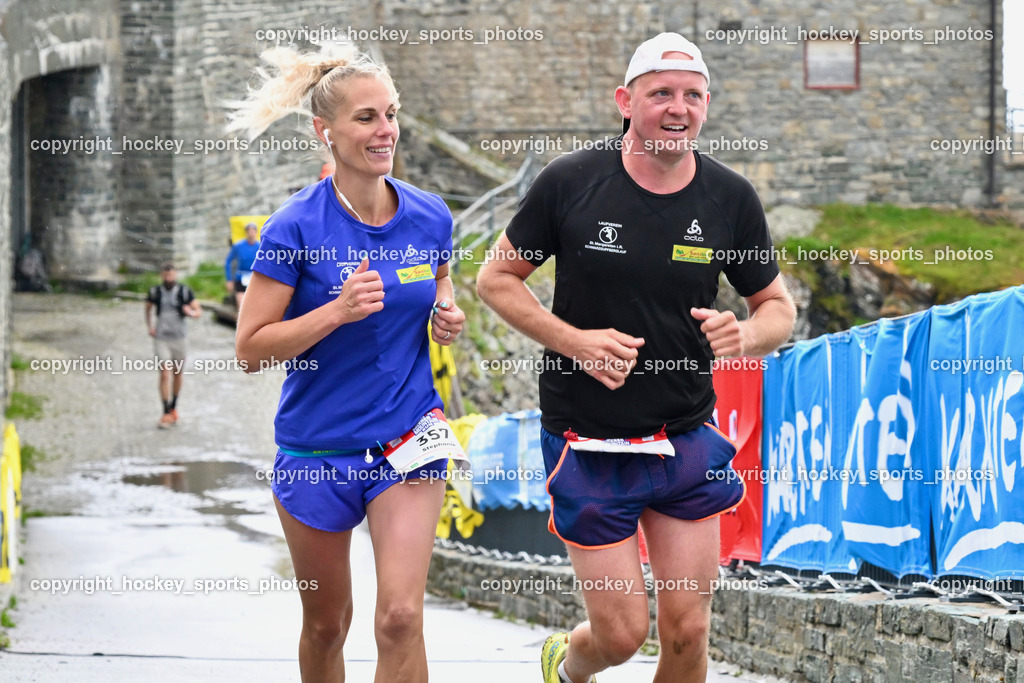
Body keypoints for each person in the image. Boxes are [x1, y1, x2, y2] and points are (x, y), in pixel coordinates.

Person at [476, 32, 796, 683]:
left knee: (688, 629)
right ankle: (569, 664)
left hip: (683, 434)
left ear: (706, 105)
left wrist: (747, 336)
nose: (677, 109)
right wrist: (576, 342)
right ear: (626, 100)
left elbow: (777, 309)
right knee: (622, 635)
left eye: (692, 96)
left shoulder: (729, 198)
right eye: (660, 94)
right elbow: (494, 280)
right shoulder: (571, 182)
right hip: (588, 437)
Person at [230, 44, 465, 683]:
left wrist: (444, 311)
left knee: (398, 618)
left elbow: (439, 278)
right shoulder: (293, 228)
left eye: (390, 114)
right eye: (365, 118)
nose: (384, 130)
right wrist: (335, 312)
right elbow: (250, 350)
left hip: (407, 438)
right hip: (316, 451)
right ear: (324, 132)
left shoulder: (430, 215)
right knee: (327, 625)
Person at [144, 263, 202, 428]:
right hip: (161, 338)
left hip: (179, 339)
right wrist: (150, 327)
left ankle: (174, 407)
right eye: (166, 275)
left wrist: (189, 312)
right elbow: (147, 308)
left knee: (177, 373)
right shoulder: (155, 292)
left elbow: (198, 312)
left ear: (175, 274)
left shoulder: (184, 292)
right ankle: (165, 411)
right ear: (162, 275)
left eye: (171, 275)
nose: (168, 278)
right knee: (164, 374)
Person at [225, 222, 260, 308]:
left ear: (256, 232)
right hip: (241, 277)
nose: (251, 233)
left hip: (255, 277)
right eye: (249, 231)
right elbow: (228, 261)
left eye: (253, 231)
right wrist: (229, 279)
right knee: (241, 306)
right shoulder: (238, 246)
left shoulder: (260, 246)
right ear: (246, 232)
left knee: (256, 304)